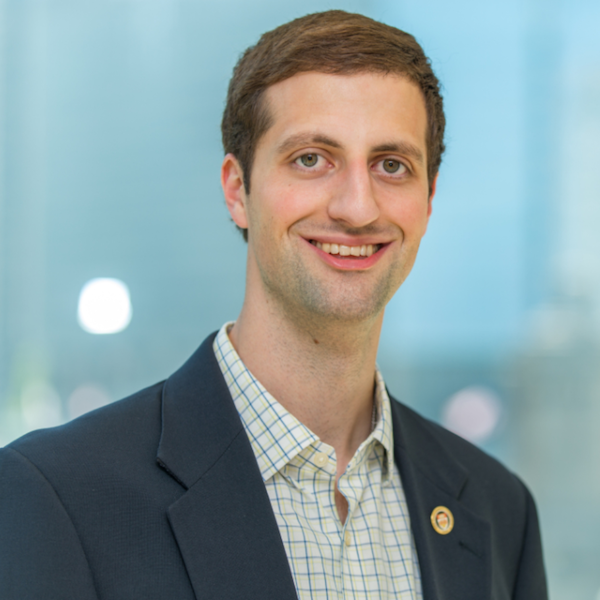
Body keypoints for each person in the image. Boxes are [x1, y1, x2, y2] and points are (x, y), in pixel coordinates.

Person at [0, 10, 547, 600]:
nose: (358, 207)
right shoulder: (59, 496)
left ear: (429, 199)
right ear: (238, 190)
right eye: (312, 158)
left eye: (392, 166)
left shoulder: (498, 511)